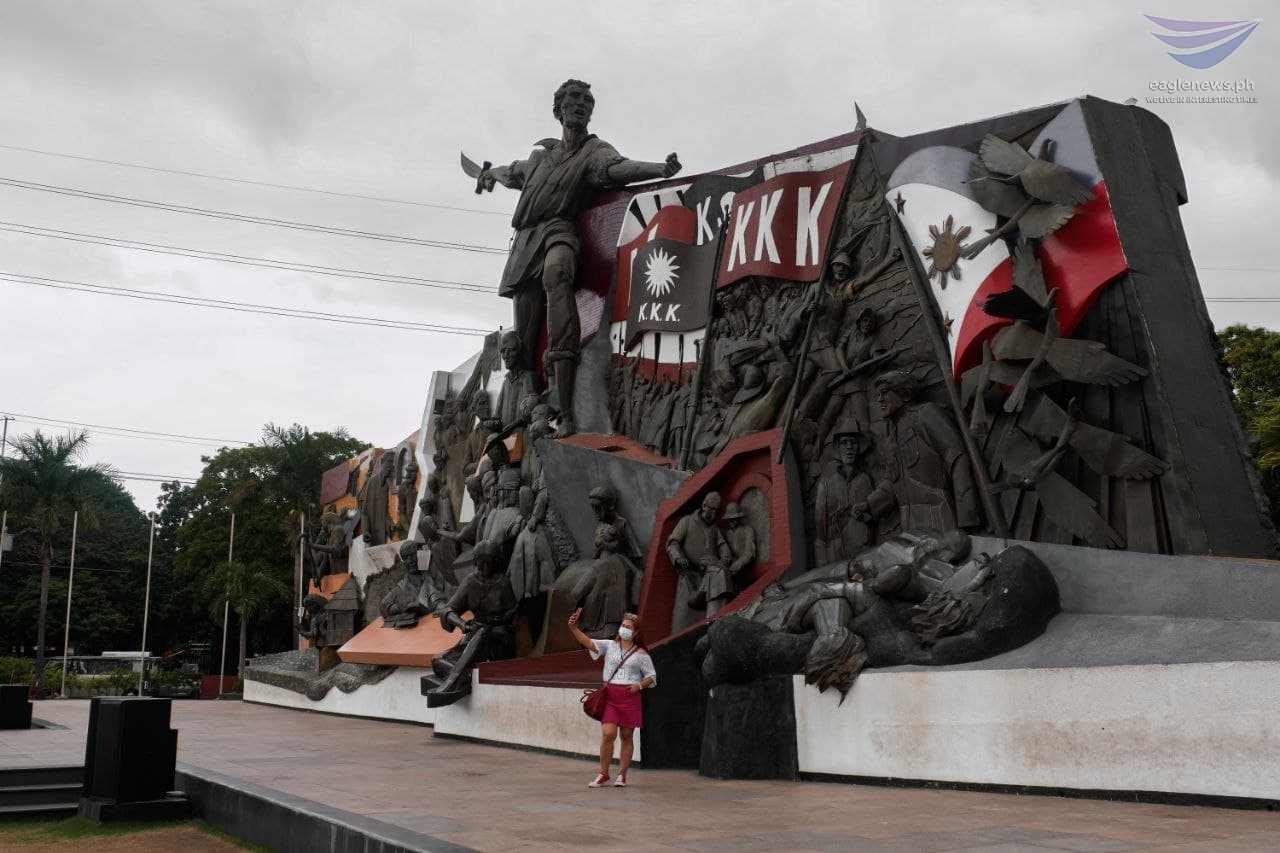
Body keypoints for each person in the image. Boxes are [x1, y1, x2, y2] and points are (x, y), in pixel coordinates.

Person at [473, 79, 681, 436]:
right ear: (559, 109)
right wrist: (487, 174)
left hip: (560, 231)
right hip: (525, 244)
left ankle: (567, 413)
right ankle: (533, 408)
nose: (580, 104)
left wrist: (658, 169)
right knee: (522, 344)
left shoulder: (594, 150)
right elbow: (510, 173)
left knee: (557, 273)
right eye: (573, 100)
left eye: (586, 100)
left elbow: (616, 169)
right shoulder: (540, 158)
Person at [568, 610, 657, 788]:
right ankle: (603, 773)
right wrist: (573, 628)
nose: (624, 629)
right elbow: (588, 642)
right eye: (623, 626)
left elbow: (652, 676)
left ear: (636, 632)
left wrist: (639, 686)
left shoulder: (641, 654)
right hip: (611, 695)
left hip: (629, 696)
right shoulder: (609, 646)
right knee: (608, 734)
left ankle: (622, 775)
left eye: (628, 627)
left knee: (626, 736)